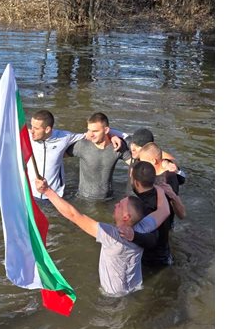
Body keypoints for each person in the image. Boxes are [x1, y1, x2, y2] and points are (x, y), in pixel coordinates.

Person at [34, 176, 170, 296]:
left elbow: (74, 215)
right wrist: (160, 190)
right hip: (136, 288)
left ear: (126, 217)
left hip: (113, 295)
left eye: (120, 205)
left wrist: (48, 192)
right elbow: (164, 210)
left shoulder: (111, 236)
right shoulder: (143, 227)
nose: (116, 204)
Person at [0, 109, 128, 200]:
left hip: (55, 196)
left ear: (47, 129)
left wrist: (115, 136)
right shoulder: (25, 137)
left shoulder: (64, 137)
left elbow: (91, 135)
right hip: (30, 196)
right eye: (31, 126)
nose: (31, 131)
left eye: (36, 128)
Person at [65, 112, 131, 201]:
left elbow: (136, 165)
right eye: (89, 130)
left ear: (106, 130)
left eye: (95, 131)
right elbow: (57, 156)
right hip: (84, 199)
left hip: (108, 199)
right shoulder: (81, 145)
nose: (91, 134)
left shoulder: (117, 147)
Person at [129, 160, 176, 266]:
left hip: (149, 260)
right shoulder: (165, 196)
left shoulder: (137, 205)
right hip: (166, 255)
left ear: (136, 182)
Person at [138, 142, 186, 219]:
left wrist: (172, 195)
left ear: (153, 161)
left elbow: (182, 215)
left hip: (164, 224)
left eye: (143, 163)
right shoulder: (150, 173)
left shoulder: (169, 178)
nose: (142, 166)